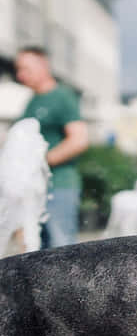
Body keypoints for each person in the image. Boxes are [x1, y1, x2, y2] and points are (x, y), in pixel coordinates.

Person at [15, 46, 89, 248]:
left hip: (58, 187)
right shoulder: (33, 100)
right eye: (18, 69)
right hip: (35, 189)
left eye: (25, 69)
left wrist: (39, 162)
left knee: (61, 249)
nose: (20, 75)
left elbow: (79, 140)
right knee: (36, 254)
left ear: (44, 66)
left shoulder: (62, 97)